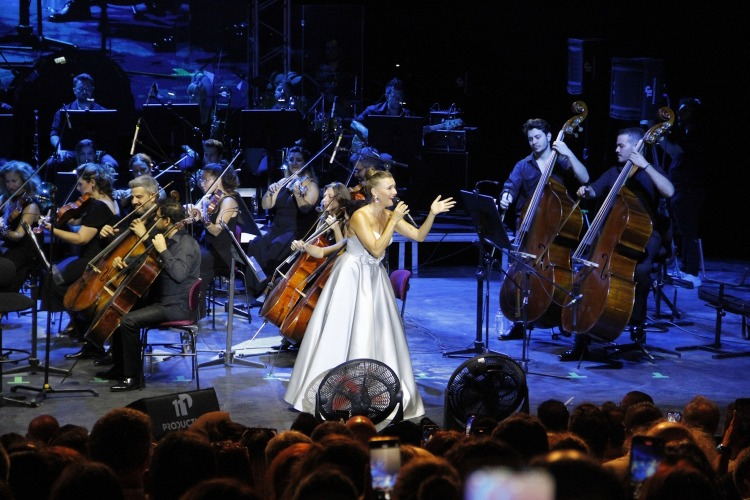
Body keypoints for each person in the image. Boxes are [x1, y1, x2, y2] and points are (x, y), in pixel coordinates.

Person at [283, 167, 455, 427]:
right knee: (344, 332)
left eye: (394, 187)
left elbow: (419, 236)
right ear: (375, 192)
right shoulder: (360, 216)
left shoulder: (389, 214)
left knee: (377, 333)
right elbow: (375, 249)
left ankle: (376, 393)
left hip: (375, 278)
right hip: (352, 277)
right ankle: (339, 395)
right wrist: (393, 221)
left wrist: (431, 213)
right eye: (390, 188)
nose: (395, 192)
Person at [560, 127, 674, 361]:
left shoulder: (650, 172)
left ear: (636, 146)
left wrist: (645, 166)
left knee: (640, 272)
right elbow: (595, 190)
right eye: (616, 145)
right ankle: (582, 338)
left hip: (644, 235)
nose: (616, 150)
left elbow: (669, 191)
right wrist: (586, 191)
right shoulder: (614, 172)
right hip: (612, 233)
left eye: (621, 145)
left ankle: (637, 327)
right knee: (588, 272)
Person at [497, 117, 589, 340]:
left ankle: (561, 317)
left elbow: (585, 177)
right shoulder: (523, 165)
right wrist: (506, 197)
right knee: (522, 276)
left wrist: (568, 152)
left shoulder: (562, 162)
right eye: (530, 139)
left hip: (557, 228)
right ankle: (520, 321)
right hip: (529, 229)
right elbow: (510, 186)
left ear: (549, 136)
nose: (534, 142)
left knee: (560, 275)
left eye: (538, 137)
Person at [103, 197, 201, 391]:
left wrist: (163, 250)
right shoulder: (164, 238)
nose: (154, 221)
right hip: (161, 300)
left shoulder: (186, 245)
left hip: (176, 306)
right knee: (120, 310)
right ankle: (121, 368)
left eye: (157, 218)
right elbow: (147, 259)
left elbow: (179, 275)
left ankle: (133, 378)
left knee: (128, 321)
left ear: (167, 221)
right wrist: (125, 262)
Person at [40, 162, 120, 359]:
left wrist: (51, 229)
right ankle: (84, 333)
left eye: (80, 184)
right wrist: (63, 217)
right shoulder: (104, 202)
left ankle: (84, 329)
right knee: (58, 282)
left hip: (92, 261)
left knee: (53, 280)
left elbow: (81, 238)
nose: (77, 189)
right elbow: (80, 221)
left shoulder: (100, 206)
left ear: (92, 182)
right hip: (92, 258)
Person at [246, 145, 319, 297]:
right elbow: (266, 205)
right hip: (276, 228)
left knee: (276, 247)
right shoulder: (284, 181)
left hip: (294, 230)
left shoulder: (311, 184)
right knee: (256, 245)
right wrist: (270, 191)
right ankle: (256, 290)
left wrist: (298, 194)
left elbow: (306, 208)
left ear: (305, 163)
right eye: (291, 160)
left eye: (298, 160)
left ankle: (270, 290)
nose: (294, 163)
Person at [656, 97, 707, 286]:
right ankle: (685, 268)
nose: (679, 114)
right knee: (684, 231)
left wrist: (657, 133)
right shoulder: (687, 134)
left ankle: (692, 272)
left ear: (694, 113)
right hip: (681, 189)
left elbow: (674, 150)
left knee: (689, 231)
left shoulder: (697, 135)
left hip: (690, 189)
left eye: (684, 110)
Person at [187, 162, 241, 319]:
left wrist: (204, 218)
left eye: (206, 180)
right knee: (187, 254)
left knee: (197, 261)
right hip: (208, 247)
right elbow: (193, 218)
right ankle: (189, 308)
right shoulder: (211, 198)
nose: (202, 184)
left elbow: (217, 230)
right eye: (201, 180)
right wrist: (188, 213)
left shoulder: (228, 201)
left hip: (221, 252)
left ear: (219, 180)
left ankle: (196, 313)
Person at [0, 161, 43, 293]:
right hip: (8, 246)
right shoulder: (6, 199)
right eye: (7, 181)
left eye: (14, 181)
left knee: (3, 270)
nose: (10, 185)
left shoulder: (31, 205)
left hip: (24, 250)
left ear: (25, 180)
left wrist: (2, 230)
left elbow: (18, 235)